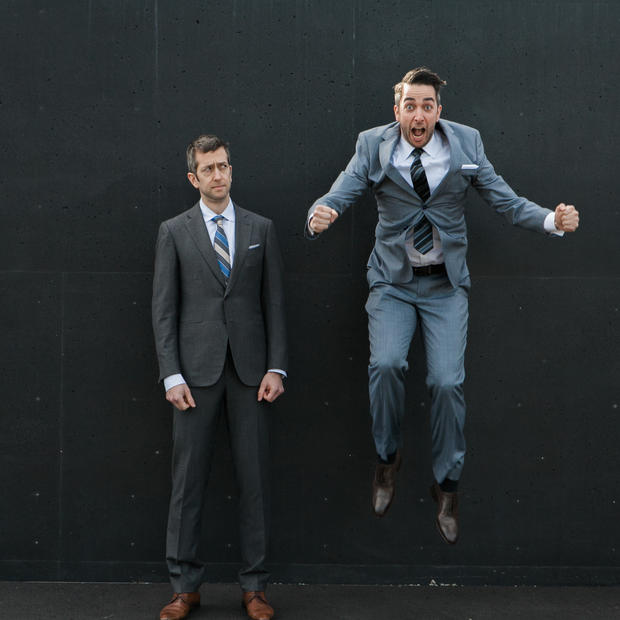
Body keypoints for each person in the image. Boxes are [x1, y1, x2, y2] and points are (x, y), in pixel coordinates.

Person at [305, 67, 579, 545]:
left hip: (445, 287)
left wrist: (550, 220)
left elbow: (506, 201)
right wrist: (318, 214)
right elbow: (342, 190)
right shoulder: (374, 145)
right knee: (387, 364)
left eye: (427, 105)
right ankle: (387, 461)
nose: (419, 114)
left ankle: (447, 486)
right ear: (397, 111)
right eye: (410, 105)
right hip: (392, 283)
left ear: (438, 111)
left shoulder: (466, 144)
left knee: (447, 382)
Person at [152, 134, 287, 620]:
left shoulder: (261, 228)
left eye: (224, 166)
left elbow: (274, 303)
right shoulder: (174, 231)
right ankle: (184, 587)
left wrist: (276, 366)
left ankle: (255, 588)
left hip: (252, 375)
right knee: (187, 483)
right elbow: (163, 311)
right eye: (208, 169)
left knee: (254, 482)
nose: (218, 175)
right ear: (194, 177)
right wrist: (171, 375)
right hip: (194, 375)